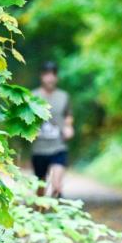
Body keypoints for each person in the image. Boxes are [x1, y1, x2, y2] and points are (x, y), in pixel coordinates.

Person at [31, 61, 74, 197]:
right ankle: (39, 214)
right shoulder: (32, 96)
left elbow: (68, 115)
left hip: (58, 146)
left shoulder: (63, 96)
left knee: (56, 186)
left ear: (56, 77)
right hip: (39, 148)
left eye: (53, 74)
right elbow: (24, 118)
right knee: (41, 188)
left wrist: (68, 127)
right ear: (41, 76)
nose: (50, 78)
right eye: (46, 74)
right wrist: (31, 129)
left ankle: (56, 214)